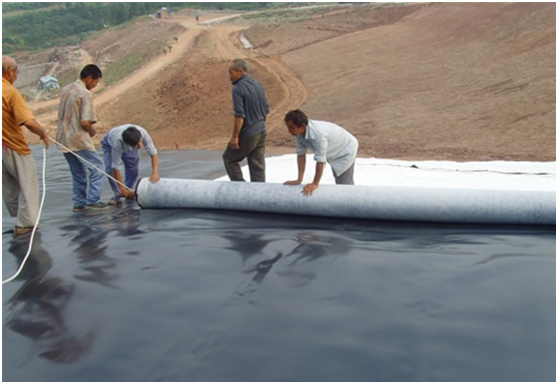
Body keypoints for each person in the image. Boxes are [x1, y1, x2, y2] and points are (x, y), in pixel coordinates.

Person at [2, 55, 51, 235]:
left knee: (9, 186)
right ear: (10, 72)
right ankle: (26, 223)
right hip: (13, 145)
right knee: (28, 183)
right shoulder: (10, 92)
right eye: (16, 73)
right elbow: (27, 121)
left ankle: (19, 216)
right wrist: (43, 134)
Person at [56, 64, 108, 212]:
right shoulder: (84, 93)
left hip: (63, 138)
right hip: (77, 138)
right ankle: (93, 200)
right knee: (98, 168)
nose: (95, 86)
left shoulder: (66, 89)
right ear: (89, 78)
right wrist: (92, 131)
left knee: (77, 171)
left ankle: (79, 203)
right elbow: (85, 121)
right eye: (95, 82)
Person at [283, 109, 359, 196]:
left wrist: (315, 184)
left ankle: (352, 204)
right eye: (288, 127)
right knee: (340, 183)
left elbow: (320, 161)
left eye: (291, 127)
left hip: (345, 149)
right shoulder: (298, 133)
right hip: (333, 148)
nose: (289, 131)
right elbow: (301, 154)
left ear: (302, 126)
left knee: (344, 185)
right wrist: (299, 179)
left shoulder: (318, 134)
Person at [223, 58, 270, 182]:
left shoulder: (238, 88)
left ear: (240, 71)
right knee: (257, 166)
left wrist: (235, 137)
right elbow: (266, 109)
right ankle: (258, 195)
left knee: (229, 159)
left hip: (249, 133)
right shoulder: (257, 84)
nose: (229, 76)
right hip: (262, 130)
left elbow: (240, 116)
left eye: (231, 73)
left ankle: (240, 190)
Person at [101, 124, 160, 205]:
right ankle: (117, 195)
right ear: (127, 143)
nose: (139, 146)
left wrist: (155, 173)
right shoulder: (117, 142)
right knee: (110, 170)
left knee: (133, 169)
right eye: (135, 145)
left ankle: (128, 190)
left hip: (130, 141)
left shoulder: (143, 133)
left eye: (139, 142)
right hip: (109, 143)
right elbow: (115, 167)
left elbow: (153, 154)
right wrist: (121, 188)